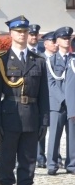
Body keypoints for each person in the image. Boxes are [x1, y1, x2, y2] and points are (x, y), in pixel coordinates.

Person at [0, 15, 49, 185]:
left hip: (32, 117)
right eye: (18, 32)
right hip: (9, 117)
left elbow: (44, 95)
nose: (22, 35)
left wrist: (45, 121)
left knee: (28, 162)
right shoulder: (1, 60)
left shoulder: (38, 61)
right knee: (7, 161)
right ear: (11, 34)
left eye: (25, 32)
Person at [45, 27, 73, 175]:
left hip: (72, 104)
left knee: (72, 136)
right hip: (57, 104)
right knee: (55, 135)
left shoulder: (73, 59)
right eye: (64, 38)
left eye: (68, 38)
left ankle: (72, 164)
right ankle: (52, 164)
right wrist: (64, 99)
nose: (67, 40)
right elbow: (51, 84)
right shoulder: (50, 61)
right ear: (57, 41)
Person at [37, 31, 57, 168]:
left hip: (56, 100)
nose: (55, 44)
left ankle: (55, 155)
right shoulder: (40, 59)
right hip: (43, 99)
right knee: (41, 127)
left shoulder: (60, 59)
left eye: (56, 41)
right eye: (52, 41)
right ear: (45, 44)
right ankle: (40, 156)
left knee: (56, 130)